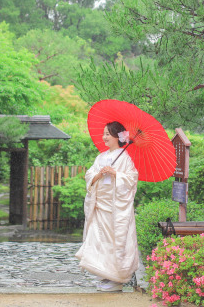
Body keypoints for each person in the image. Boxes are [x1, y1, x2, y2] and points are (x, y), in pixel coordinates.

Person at [75, 121, 139, 292]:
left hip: (115, 208)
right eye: (103, 134)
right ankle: (104, 273)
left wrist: (115, 173)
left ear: (117, 137)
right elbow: (89, 175)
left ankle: (116, 279)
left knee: (114, 242)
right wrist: (98, 175)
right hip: (100, 206)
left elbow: (132, 179)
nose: (104, 137)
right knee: (99, 241)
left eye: (107, 134)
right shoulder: (100, 157)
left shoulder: (125, 158)